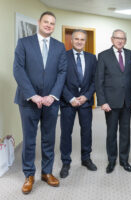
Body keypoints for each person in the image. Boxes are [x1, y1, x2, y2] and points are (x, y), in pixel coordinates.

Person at [13, 11, 67, 194]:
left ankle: (47, 172)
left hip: (51, 101)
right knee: (29, 139)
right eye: (46, 22)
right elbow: (18, 70)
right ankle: (29, 175)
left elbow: (62, 73)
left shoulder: (60, 47)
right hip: (29, 100)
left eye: (52, 23)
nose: (49, 25)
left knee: (48, 138)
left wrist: (52, 95)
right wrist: (33, 95)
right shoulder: (24, 43)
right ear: (39, 22)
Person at [96, 29, 131, 174]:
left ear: (125, 40)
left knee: (126, 131)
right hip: (111, 102)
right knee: (111, 132)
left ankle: (124, 160)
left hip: (127, 100)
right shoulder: (103, 56)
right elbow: (99, 80)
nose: (120, 41)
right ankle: (112, 160)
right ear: (112, 39)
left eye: (123, 38)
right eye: (117, 38)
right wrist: (102, 101)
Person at [59, 30, 97, 178]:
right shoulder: (63, 57)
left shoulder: (92, 58)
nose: (79, 41)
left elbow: (95, 80)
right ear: (71, 41)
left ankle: (86, 158)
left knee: (87, 131)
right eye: (76, 39)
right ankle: (66, 162)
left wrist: (86, 96)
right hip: (68, 102)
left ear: (85, 41)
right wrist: (70, 98)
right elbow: (59, 79)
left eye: (82, 39)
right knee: (66, 133)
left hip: (85, 102)